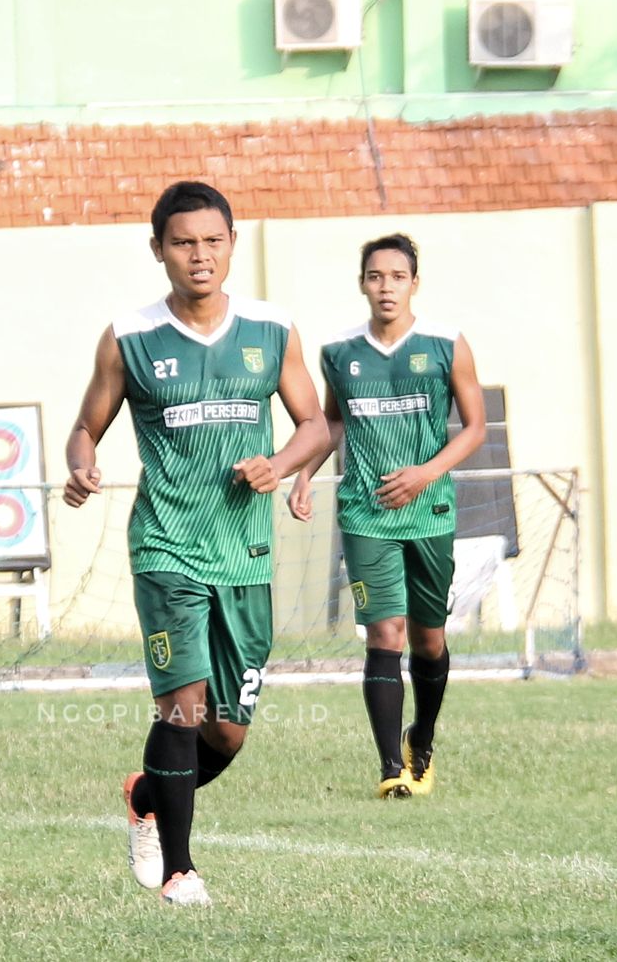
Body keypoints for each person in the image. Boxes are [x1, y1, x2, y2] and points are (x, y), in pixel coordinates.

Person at [64, 181, 327, 907]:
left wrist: (278, 465)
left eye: (213, 241)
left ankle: (146, 796)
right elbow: (87, 425)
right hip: (166, 547)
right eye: (183, 242)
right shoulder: (129, 336)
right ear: (159, 250)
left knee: (228, 734)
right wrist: (81, 463)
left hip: (245, 552)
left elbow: (316, 425)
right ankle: (181, 870)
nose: (199, 255)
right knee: (181, 706)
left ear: (233, 245)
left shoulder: (273, 330)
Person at [288, 233, 485, 799]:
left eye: (397, 277)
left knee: (428, 640)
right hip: (366, 514)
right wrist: (303, 475)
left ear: (414, 283)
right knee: (384, 633)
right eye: (376, 277)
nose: (386, 287)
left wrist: (425, 473)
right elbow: (331, 424)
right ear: (362, 284)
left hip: (431, 513)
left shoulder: (448, 344)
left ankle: (420, 737)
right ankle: (388, 769)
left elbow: (473, 428)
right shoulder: (339, 352)